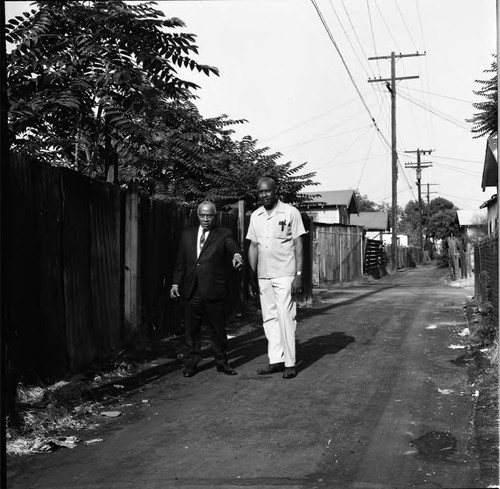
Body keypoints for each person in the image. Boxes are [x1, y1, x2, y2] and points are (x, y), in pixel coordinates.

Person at [170, 201, 244, 378]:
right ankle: (191, 364)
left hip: (213, 288)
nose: (205, 219)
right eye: (202, 215)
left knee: (217, 329)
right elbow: (181, 262)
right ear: (197, 216)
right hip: (192, 288)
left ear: (215, 216)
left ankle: (222, 362)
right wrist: (175, 283)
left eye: (209, 215)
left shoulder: (222, 233)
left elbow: (231, 245)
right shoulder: (187, 235)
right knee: (192, 330)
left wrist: (237, 254)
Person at [246, 177, 306, 379]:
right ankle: (276, 361)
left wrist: (299, 275)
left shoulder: (290, 212)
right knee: (269, 319)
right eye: (260, 192)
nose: (264, 195)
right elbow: (253, 247)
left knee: (286, 318)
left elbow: (298, 244)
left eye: (267, 191)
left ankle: (290, 363)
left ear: (275, 191)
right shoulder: (256, 215)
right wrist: (252, 275)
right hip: (264, 275)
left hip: (285, 274)